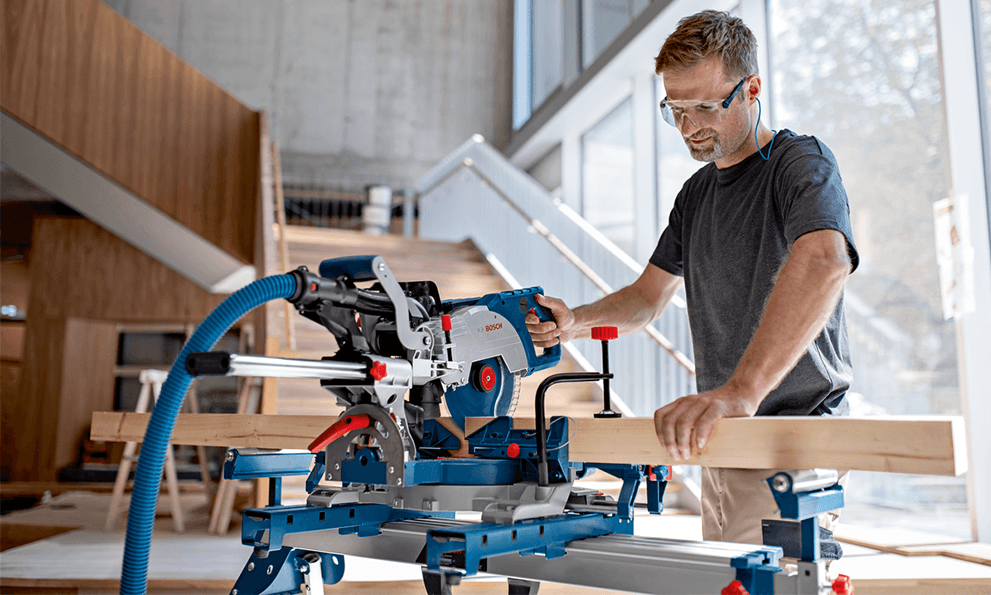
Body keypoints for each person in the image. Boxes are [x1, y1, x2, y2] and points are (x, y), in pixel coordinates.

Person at [526, 10, 859, 548]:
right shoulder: (697, 193)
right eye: (675, 110)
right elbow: (646, 297)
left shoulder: (801, 164)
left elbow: (825, 260)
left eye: (705, 106)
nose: (688, 127)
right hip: (724, 435)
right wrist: (575, 323)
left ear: (751, 88)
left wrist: (741, 392)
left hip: (792, 437)